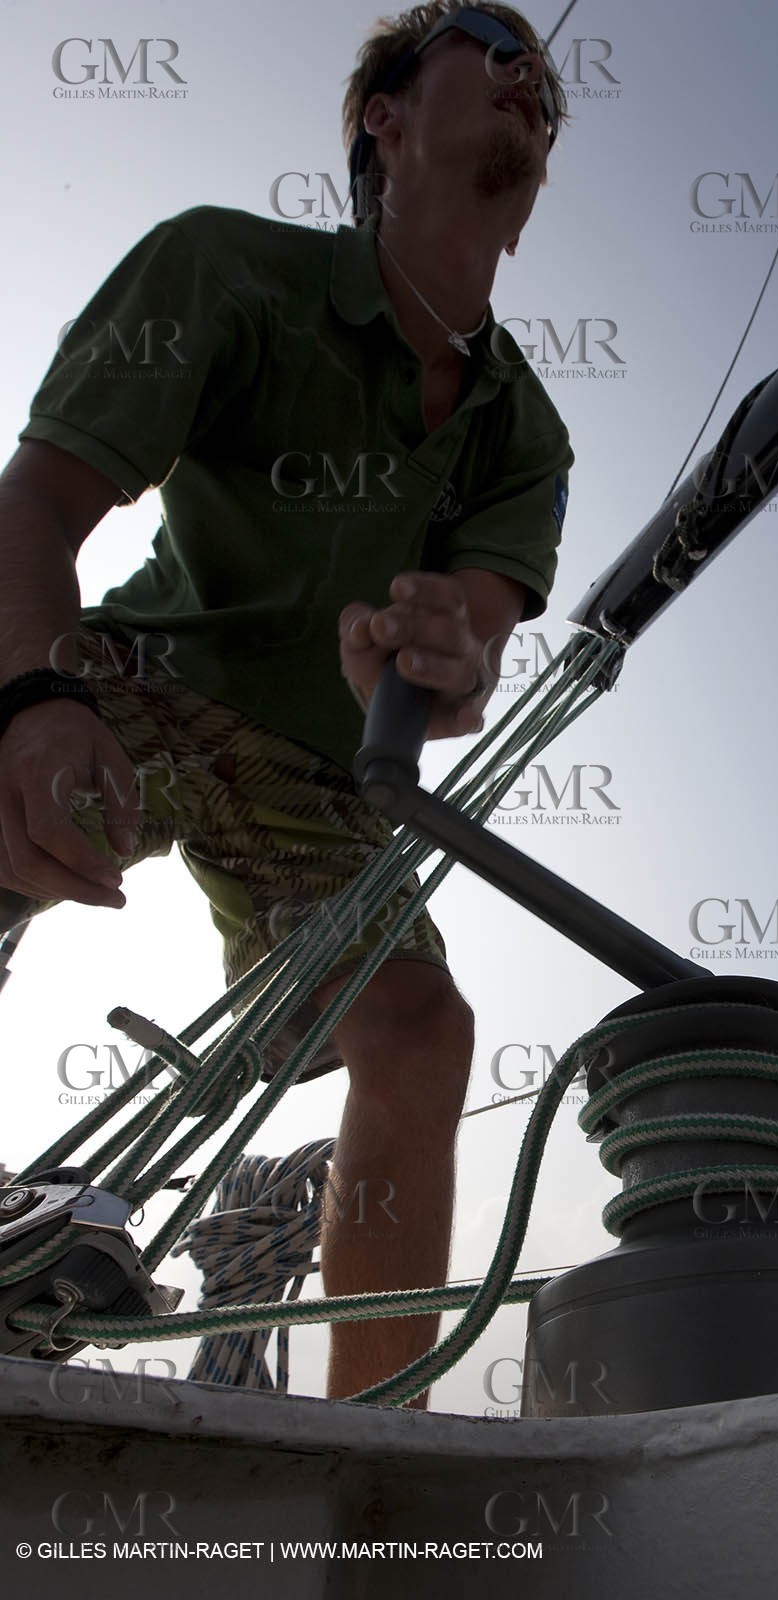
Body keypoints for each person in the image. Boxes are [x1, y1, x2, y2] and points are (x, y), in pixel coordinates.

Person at [0, 1, 573, 1407]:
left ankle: (375, 1449)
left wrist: (428, 665)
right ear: (385, 117)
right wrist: (33, 699)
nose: (528, 73)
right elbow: (37, 505)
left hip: (321, 773)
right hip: (138, 677)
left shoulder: (525, 433)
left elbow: (466, 654)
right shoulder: (226, 268)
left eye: (545, 79)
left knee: (422, 1033)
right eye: (488, 41)